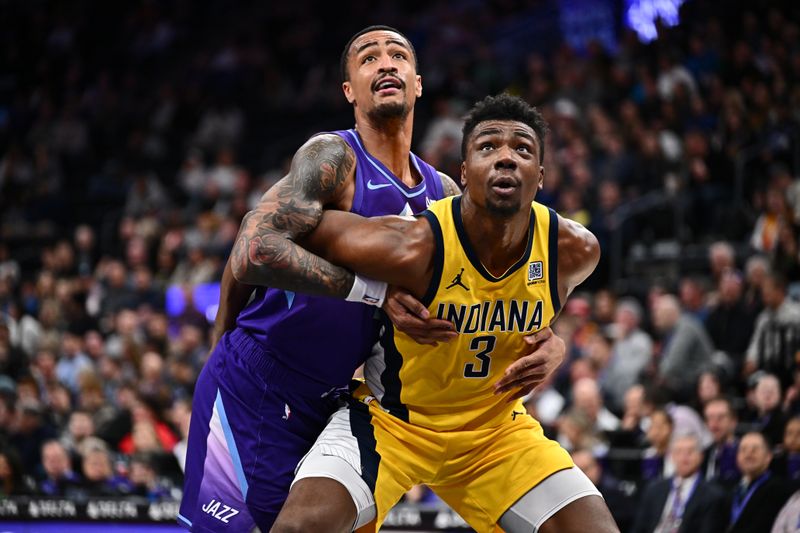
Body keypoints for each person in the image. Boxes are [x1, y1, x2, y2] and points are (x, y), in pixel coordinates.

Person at [179, 26, 566, 533]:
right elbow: (252, 250)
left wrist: (550, 340)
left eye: (398, 55)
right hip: (261, 382)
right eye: (368, 58)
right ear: (349, 91)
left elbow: (492, 293)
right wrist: (224, 342)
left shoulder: (443, 194)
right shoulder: (333, 158)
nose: (385, 63)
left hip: (342, 401)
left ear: (418, 83)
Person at [245, 94, 617, 532]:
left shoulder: (573, 251)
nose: (505, 158)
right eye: (487, 146)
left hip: (495, 432)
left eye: (522, 148)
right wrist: (375, 292)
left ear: (540, 175)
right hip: (392, 424)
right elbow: (275, 231)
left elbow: (532, 315)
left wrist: (556, 345)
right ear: (464, 172)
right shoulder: (414, 245)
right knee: (297, 528)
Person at [631, 433, 727, 533]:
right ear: (671, 456)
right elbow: (639, 528)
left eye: (690, 452)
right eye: (678, 452)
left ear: (701, 456)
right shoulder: (654, 489)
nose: (684, 457)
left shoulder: (713, 495)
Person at [728, 431, 793, 533]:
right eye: (743, 450)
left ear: (768, 456)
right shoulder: (731, 487)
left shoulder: (778, 490)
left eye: (754, 450)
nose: (748, 454)